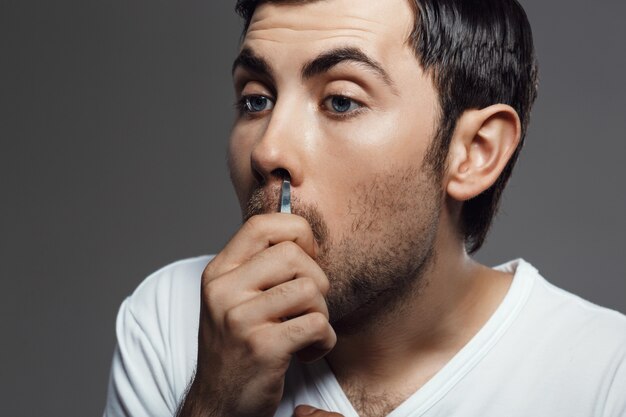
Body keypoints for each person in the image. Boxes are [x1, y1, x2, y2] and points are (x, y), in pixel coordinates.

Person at [103, 1, 626, 416]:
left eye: (341, 101)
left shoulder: (607, 377)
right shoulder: (171, 320)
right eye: (256, 99)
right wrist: (213, 408)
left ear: (475, 153)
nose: (268, 150)